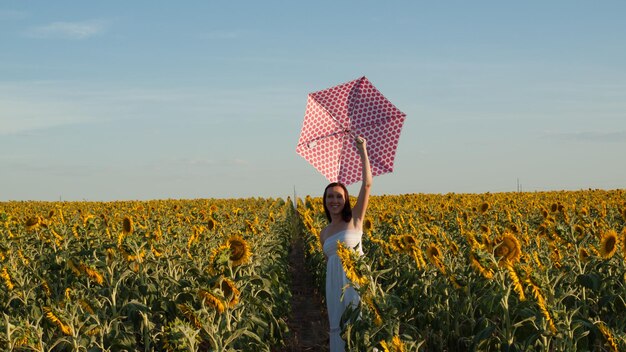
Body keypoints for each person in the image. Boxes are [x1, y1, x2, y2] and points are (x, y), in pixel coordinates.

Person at [320, 135, 372, 352]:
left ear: (346, 200)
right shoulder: (323, 233)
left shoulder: (355, 220)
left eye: (339, 197)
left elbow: (367, 184)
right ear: (325, 200)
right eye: (330, 196)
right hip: (334, 285)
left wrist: (363, 150)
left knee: (358, 324)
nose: (334, 200)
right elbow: (330, 262)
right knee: (339, 327)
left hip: (355, 282)